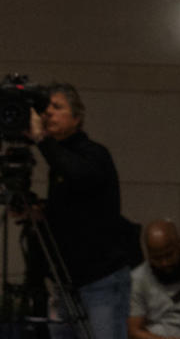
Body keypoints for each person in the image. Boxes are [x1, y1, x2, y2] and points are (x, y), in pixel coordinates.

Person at [27, 82, 133, 339]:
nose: (48, 113)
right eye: (46, 108)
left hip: (100, 281)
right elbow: (75, 210)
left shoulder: (93, 154)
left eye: (57, 107)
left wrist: (41, 139)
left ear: (77, 117)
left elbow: (80, 176)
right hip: (66, 282)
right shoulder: (58, 159)